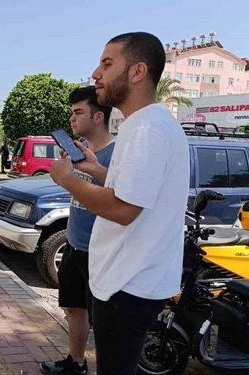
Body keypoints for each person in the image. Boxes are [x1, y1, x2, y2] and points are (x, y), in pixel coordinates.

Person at [50, 32, 190, 375]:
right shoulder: (144, 125)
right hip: (129, 280)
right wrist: (97, 171)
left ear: (137, 72)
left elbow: (123, 209)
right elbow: (133, 194)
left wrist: (67, 179)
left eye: (107, 64)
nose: (96, 73)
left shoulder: (147, 130)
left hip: (127, 283)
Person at [40, 86, 114, 375]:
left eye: (78, 112)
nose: (72, 118)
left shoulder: (116, 153)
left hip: (101, 252)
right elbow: (79, 192)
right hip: (74, 243)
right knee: (74, 309)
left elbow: (122, 196)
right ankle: (76, 362)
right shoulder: (81, 150)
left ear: (98, 117)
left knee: (104, 320)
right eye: (71, 112)